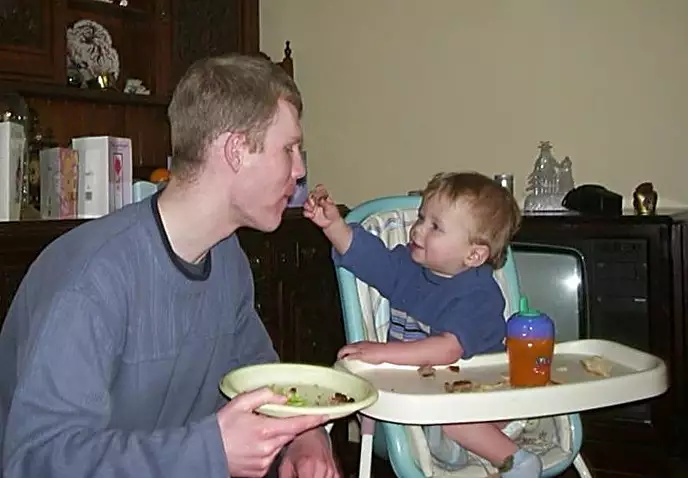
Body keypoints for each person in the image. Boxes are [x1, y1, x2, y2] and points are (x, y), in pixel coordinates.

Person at [0, 54, 339, 478]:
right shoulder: (90, 282)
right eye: (288, 149)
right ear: (236, 150)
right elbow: (34, 461)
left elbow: (257, 373)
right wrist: (208, 451)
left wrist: (304, 436)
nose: (300, 169)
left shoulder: (226, 257)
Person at [304, 172, 543, 477]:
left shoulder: (480, 294)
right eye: (421, 218)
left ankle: (515, 460)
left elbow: (447, 349)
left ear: (473, 255)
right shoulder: (407, 268)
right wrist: (333, 225)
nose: (418, 230)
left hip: (485, 405)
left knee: (456, 417)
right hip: (420, 400)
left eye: (435, 227)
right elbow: (366, 256)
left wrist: (383, 352)